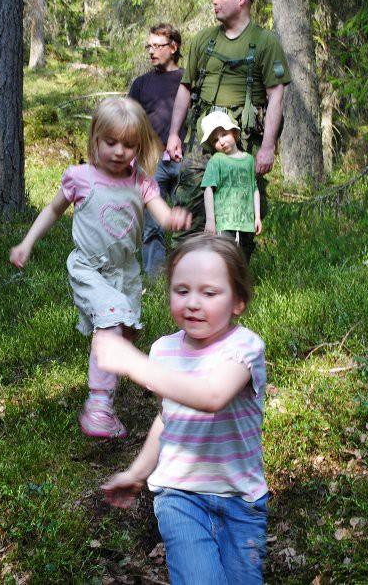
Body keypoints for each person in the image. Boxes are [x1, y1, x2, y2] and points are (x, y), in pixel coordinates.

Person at [9, 97, 192, 439]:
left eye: (129, 145)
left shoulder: (141, 181)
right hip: (89, 270)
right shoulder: (80, 178)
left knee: (125, 334)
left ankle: (108, 393)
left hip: (126, 274)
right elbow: (52, 211)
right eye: (111, 143)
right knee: (110, 322)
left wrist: (175, 219)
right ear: (95, 139)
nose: (120, 151)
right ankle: (99, 406)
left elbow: (162, 215)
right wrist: (26, 243)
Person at [94, 235, 268, 584]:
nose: (193, 303)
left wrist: (135, 365)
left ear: (238, 302)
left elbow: (212, 396)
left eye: (209, 293)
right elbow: (167, 419)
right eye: (182, 290)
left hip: (241, 502)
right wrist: (137, 473)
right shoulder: (164, 351)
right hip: (179, 496)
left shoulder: (245, 347)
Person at [164, 0, 291, 244]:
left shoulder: (266, 43)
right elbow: (186, 88)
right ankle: (187, 276)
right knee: (188, 204)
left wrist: (268, 147)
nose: (215, 1)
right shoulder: (204, 40)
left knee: (239, 213)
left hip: (242, 140)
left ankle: (230, 277)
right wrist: (175, 134)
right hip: (202, 139)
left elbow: (276, 98)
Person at [129, 23, 185, 277]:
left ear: (173, 48)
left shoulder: (188, 81)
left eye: (157, 46)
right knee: (152, 227)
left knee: (187, 224)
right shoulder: (141, 84)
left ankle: (187, 277)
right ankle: (154, 281)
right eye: (148, 46)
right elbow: (128, 122)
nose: (151, 51)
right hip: (151, 164)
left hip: (185, 161)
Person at [199, 110, 261, 262]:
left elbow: (254, 189)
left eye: (224, 134)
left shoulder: (249, 160)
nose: (221, 141)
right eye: (215, 140)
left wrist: (257, 217)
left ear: (234, 133)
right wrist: (210, 220)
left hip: (246, 222)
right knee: (225, 259)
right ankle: (222, 284)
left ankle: (239, 285)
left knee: (243, 259)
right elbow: (208, 189)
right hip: (224, 222)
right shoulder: (216, 160)